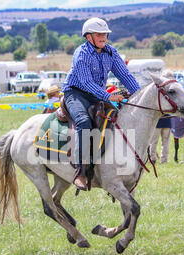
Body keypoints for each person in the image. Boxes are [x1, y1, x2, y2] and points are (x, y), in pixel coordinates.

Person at [61, 17, 141, 190]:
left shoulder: (111, 52)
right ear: (88, 37)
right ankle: (80, 172)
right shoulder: (81, 53)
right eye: (99, 34)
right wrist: (108, 96)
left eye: (105, 34)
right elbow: (86, 82)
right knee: (83, 122)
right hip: (76, 93)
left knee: (118, 120)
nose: (103, 37)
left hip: (98, 95)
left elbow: (125, 76)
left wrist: (139, 94)